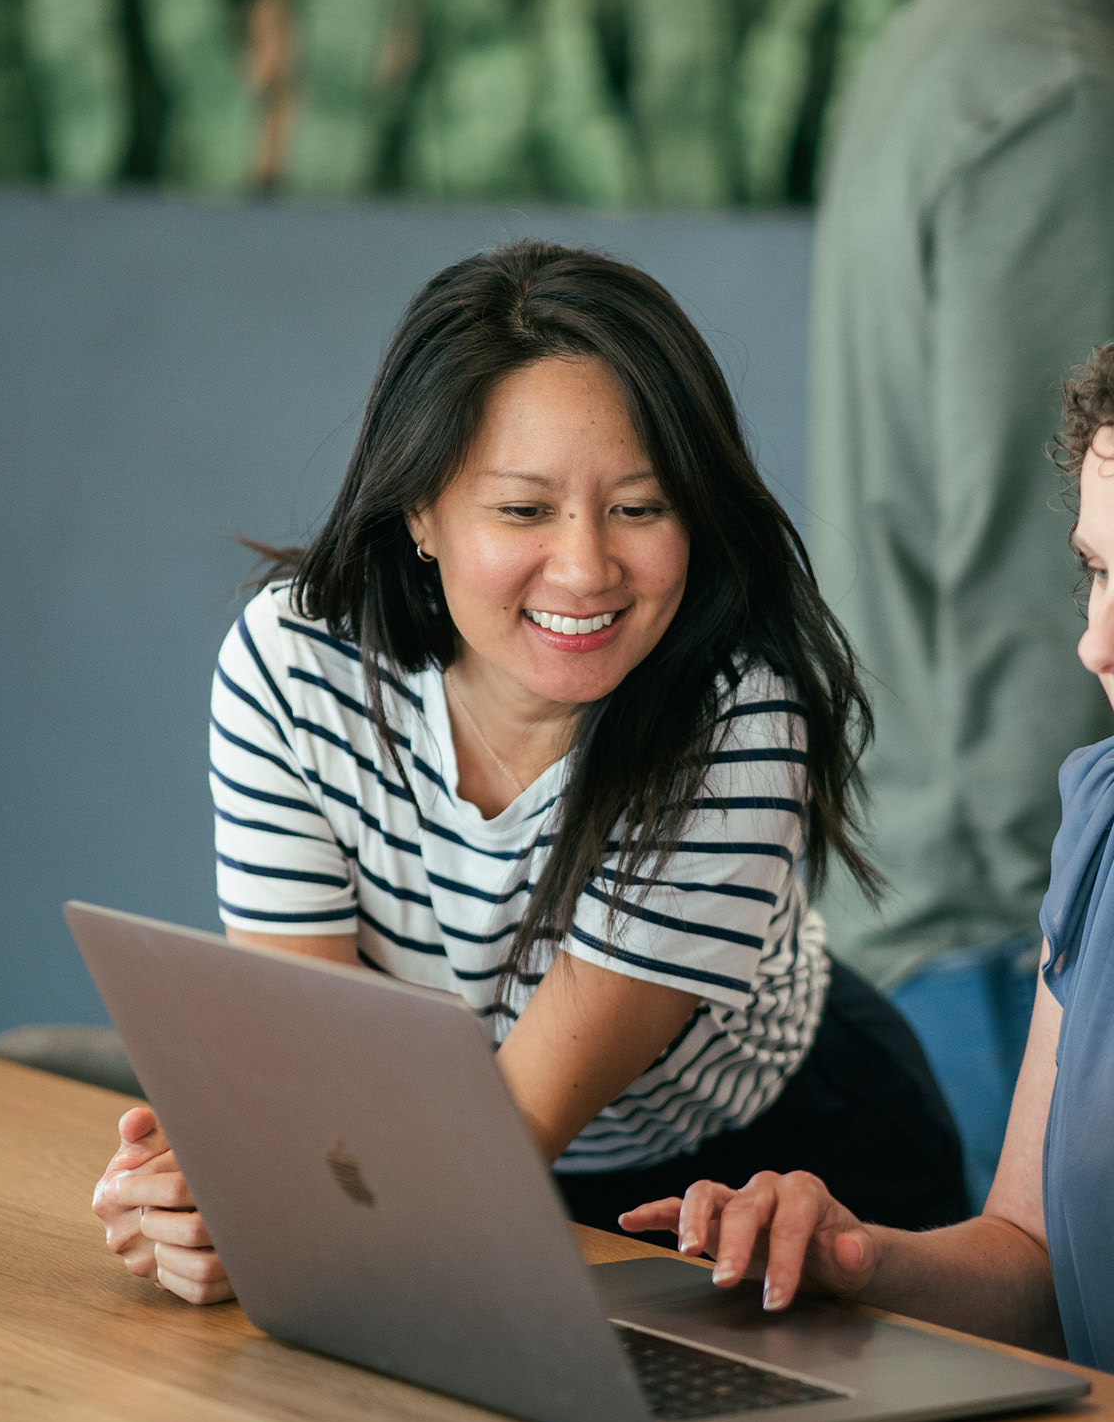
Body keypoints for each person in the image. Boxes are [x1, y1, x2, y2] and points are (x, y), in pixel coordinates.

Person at [91, 239, 966, 1306]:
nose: (588, 567)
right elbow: (310, 1068)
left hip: (755, 1181)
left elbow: (506, 1131)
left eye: (640, 509)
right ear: (419, 509)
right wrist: (194, 1204)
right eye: (522, 510)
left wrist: (277, 1212)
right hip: (445, 1172)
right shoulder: (294, 665)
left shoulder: (737, 723)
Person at [622, 342, 1114, 1372]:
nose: (1095, 645)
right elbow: (1037, 1269)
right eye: (1099, 572)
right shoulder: (1102, 820)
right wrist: (849, 1260)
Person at [807, 0, 1114, 1208]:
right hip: (1007, 936)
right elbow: (1045, 566)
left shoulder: (948, 40)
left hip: (945, 897)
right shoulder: (1071, 87)